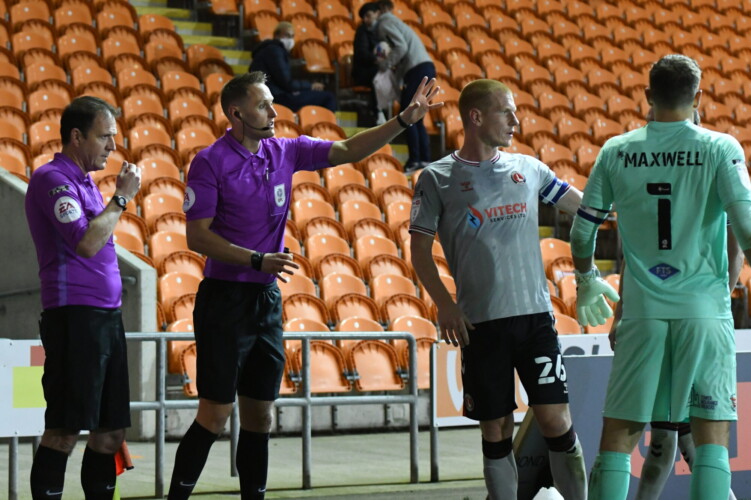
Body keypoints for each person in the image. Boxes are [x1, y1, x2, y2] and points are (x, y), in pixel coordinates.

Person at [167, 71, 441, 499]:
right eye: (263, 105)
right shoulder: (210, 161)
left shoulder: (285, 150)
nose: (273, 112)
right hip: (223, 301)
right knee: (215, 416)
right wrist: (256, 259)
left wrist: (404, 120)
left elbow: (348, 149)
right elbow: (197, 237)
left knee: (260, 417)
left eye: (271, 103)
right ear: (236, 113)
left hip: (265, 300)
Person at [571, 54, 751, 500]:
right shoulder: (721, 147)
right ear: (698, 98)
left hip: (642, 313)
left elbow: (581, 232)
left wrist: (586, 278)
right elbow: (746, 231)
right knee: (711, 441)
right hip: (704, 313)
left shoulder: (616, 150)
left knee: (618, 438)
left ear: (648, 96)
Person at [409, 79, 587, 499]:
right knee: (496, 428)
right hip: (480, 325)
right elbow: (419, 251)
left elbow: (586, 208)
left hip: (535, 319)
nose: (515, 121)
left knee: (556, 422)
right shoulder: (436, 178)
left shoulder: (530, 168)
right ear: (475, 117)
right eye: (506, 112)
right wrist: (445, 304)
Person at [24, 96, 142, 499]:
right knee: (63, 431)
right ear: (77, 136)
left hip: (106, 319)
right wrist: (121, 198)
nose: (113, 145)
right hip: (75, 319)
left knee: (110, 434)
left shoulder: (86, 183)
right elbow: (88, 243)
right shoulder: (52, 179)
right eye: (105, 136)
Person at [376, 0, 436, 171]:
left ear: (381, 10)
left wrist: (385, 64)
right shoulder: (399, 23)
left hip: (416, 69)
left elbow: (401, 48)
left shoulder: (385, 23)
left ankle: (414, 161)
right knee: (417, 117)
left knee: (407, 115)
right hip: (425, 67)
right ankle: (424, 160)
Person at [249, 21, 337, 112]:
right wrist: (310, 85)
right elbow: (287, 83)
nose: (290, 40)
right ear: (276, 35)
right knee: (328, 97)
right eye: (287, 35)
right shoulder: (275, 51)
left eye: (292, 36)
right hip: (277, 96)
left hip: (271, 93)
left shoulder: (270, 49)